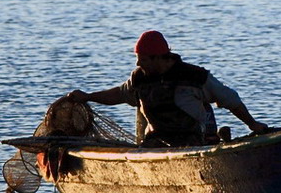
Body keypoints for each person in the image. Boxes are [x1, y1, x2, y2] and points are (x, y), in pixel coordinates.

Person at [67, 30, 269, 147]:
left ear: (158, 58)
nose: (139, 64)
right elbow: (119, 94)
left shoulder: (194, 77)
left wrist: (252, 124)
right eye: (138, 59)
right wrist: (88, 97)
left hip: (192, 143)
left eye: (143, 59)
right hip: (155, 143)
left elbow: (231, 100)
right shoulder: (139, 78)